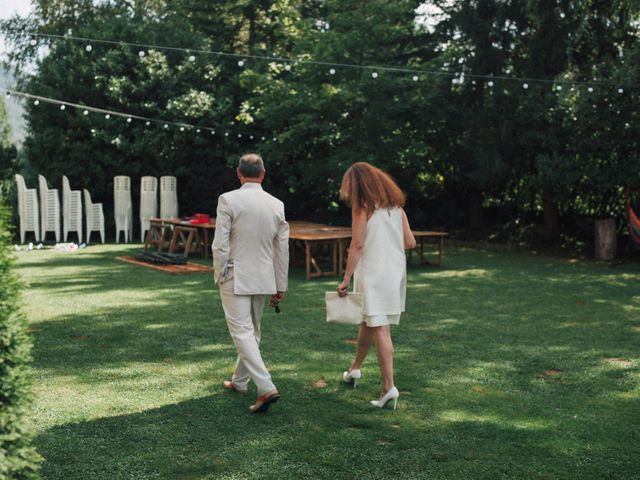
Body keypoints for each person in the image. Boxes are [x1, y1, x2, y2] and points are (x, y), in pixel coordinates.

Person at [212, 153, 289, 413]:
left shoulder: (228, 199)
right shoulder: (277, 204)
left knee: (242, 332)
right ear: (263, 174)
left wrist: (219, 272)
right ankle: (239, 382)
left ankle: (265, 386)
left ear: (238, 173)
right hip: (264, 275)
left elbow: (220, 243)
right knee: (252, 332)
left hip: (235, 274)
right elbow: (282, 249)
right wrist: (281, 284)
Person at [337, 162, 416, 410]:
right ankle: (355, 369)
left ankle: (388, 387)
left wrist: (346, 278)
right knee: (368, 321)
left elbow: (357, 245)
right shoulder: (397, 208)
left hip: (373, 272)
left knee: (380, 327)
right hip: (394, 273)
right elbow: (410, 242)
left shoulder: (363, 207)